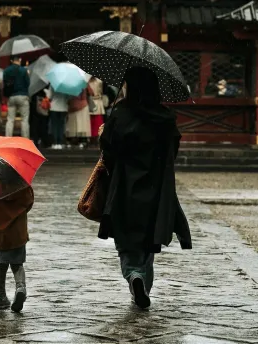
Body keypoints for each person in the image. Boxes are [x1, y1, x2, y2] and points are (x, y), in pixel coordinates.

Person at [99, 67, 192, 309]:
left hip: (125, 185)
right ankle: (143, 287)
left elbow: (109, 150)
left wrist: (107, 130)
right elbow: (173, 150)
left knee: (127, 240)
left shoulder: (122, 113)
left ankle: (134, 276)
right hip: (156, 187)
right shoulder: (165, 118)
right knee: (149, 240)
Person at [0, 186, 34, 312]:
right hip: (16, 231)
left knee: (1, 265)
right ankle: (20, 287)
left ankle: (0, 297)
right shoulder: (21, 183)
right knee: (17, 263)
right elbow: (29, 202)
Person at [3, 56, 30, 138]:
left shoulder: (7, 70)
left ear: (12, 61)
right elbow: (28, 83)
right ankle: (25, 140)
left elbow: (5, 82)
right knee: (24, 119)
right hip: (22, 95)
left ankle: (8, 138)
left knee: (10, 119)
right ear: (20, 60)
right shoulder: (24, 70)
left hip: (11, 96)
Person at [88, 77, 105, 144]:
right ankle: (92, 138)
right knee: (91, 122)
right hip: (92, 102)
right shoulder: (88, 81)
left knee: (97, 122)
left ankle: (96, 138)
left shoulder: (99, 81)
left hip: (97, 102)